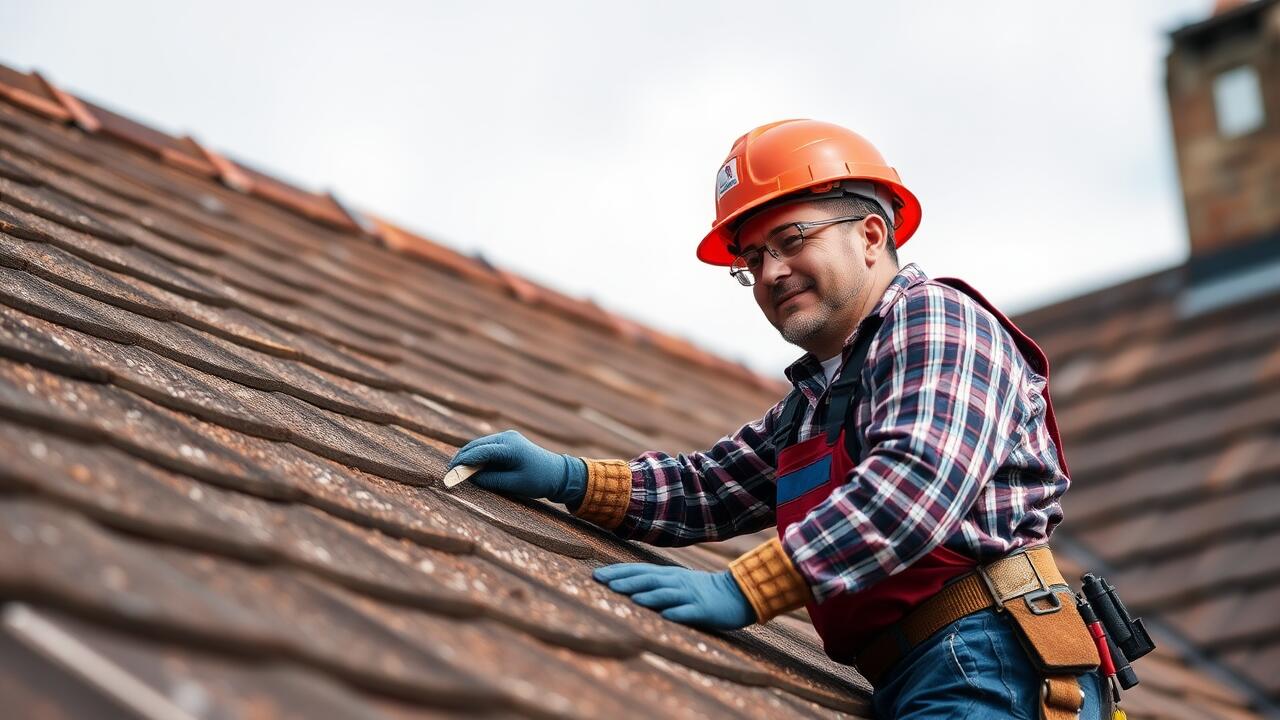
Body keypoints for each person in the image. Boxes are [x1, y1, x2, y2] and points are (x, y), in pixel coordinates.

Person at [447, 120, 1104, 719]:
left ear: (871, 236)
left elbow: (914, 485)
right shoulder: (821, 397)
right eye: (753, 259)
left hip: (992, 662)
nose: (771, 272)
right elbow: (710, 488)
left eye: (791, 240)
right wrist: (568, 479)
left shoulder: (939, 320)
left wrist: (748, 587)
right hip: (922, 670)